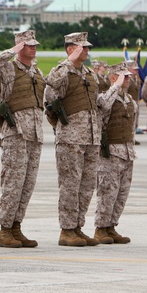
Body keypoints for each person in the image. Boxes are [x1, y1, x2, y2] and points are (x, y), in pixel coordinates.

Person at [0, 30, 42, 248]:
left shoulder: (36, 71)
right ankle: (5, 230)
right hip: (16, 133)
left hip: (34, 134)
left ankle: (16, 226)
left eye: (34, 44)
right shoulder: (7, 68)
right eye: (28, 45)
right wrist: (10, 53)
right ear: (19, 47)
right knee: (13, 183)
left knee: (27, 184)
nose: (33, 48)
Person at [45, 31, 100, 247]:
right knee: (70, 185)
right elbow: (50, 90)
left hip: (91, 137)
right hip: (71, 138)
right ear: (70, 49)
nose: (86, 51)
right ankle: (67, 230)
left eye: (87, 47)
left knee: (86, 186)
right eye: (82, 47)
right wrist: (68, 62)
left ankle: (78, 227)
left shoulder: (89, 74)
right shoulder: (62, 71)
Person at [93, 62, 136, 244]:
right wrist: (115, 86)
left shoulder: (130, 101)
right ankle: (101, 228)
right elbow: (102, 106)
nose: (127, 79)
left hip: (127, 152)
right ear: (113, 78)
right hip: (110, 152)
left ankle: (111, 226)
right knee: (107, 192)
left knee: (121, 193)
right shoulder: (106, 98)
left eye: (127, 76)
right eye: (123, 76)